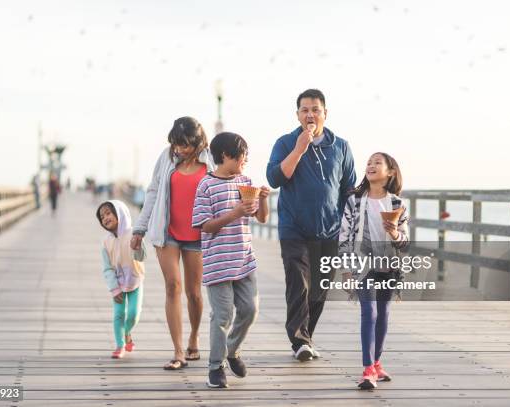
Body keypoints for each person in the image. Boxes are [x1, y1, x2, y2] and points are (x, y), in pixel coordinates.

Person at [266, 89, 356, 361]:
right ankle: (299, 341)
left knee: (319, 288)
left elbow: (349, 190)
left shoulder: (340, 146)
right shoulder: (285, 143)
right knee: (299, 284)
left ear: (325, 113)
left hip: (329, 229)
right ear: (297, 115)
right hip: (293, 228)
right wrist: (299, 148)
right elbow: (274, 179)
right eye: (305, 110)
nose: (310, 114)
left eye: (315, 109)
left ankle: (306, 337)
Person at [131, 117, 215, 370]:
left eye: (185, 145)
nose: (179, 149)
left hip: (198, 235)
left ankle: (193, 336)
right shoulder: (166, 158)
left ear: (198, 143)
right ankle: (178, 351)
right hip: (166, 232)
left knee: (194, 292)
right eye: (176, 144)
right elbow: (153, 192)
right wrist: (140, 228)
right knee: (172, 286)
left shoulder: (210, 159)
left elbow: (224, 186)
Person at [192, 132, 269, 388]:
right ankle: (215, 368)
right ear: (225, 156)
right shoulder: (206, 185)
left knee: (250, 309)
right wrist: (235, 212)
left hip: (244, 258)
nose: (245, 160)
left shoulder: (245, 181)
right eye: (242, 155)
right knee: (222, 315)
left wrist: (263, 201)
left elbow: (261, 219)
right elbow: (205, 226)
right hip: (218, 262)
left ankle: (232, 350)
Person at [339, 152, 409, 390]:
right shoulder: (355, 200)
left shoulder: (397, 203)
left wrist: (393, 232)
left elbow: (405, 243)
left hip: (389, 267)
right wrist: (346, 270)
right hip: (362, 267)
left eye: (377, 163)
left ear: (390, 172)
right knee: (369, 312)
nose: (370, 165)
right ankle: (368, 368)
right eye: (368, 162)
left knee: (384, 314)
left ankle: (377, 363)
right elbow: (345, 236)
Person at [96, 200, 146, 359]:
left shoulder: (133, 233)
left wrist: (137, 247)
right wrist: (114, 288)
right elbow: (107, 268)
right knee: (118, 314)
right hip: (117, 283)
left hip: (135, 280)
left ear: (120, 214)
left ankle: (127, 333)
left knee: (133, 314)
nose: (105, 218)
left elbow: (142, 256)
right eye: (102, 217)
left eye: (108, 213)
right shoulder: (106, 242)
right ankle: (120, 345)